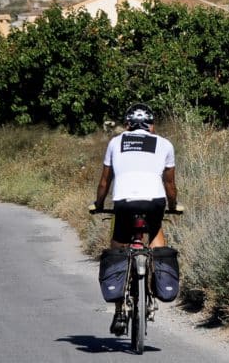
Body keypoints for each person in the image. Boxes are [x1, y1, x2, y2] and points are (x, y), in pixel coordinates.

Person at [92, 103, 177, 335]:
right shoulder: (164, 144)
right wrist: (173, 205)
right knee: (156, 231)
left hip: (124, 201)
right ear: (152, 126)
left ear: (127, 125)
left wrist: (98, 204)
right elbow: (169, 184)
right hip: (155, 201)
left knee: (119, 242)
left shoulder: (115, 142)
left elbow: (104, 181)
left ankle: (120, 309)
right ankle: (153, 289)